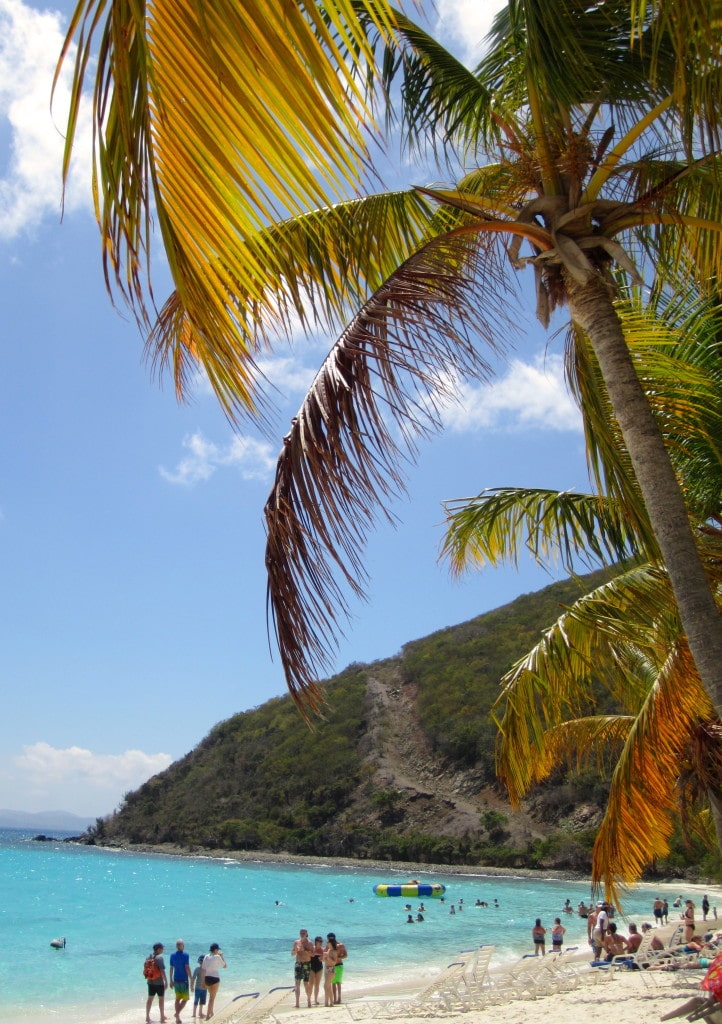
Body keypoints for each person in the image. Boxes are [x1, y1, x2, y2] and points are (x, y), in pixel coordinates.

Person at [169, 939, 193, 1024]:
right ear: (182, 946)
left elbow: (171, 968)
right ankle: (177, 1014)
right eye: (183, 945)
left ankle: (177, 1017)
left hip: (176, 979)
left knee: (177, 998)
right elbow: (187, 967)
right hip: (184, 980)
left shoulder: (172, 955)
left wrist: (170, 980)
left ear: (176, 946)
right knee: (185, 999)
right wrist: (191, 977)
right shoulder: (185, 955)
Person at [201, 943, 226, 1021]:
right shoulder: (217, 956)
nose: (218, 951)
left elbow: (203, 969)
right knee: (212, 998)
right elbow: (224, 966)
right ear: (215, 950)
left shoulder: (206, 956)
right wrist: (222, 956)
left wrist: (203, 981)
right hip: (215, 978)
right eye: (217, 949)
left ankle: (211, 1013)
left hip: (207, 978)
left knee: (211, 996)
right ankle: (208, 1016)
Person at [145, 942, 169, 1024]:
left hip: (150, 982)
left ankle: (147, 1017)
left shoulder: (148, 957)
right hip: (159, 983)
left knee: (150, 999)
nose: (163, 949)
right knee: (161, 999)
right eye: (162, 948)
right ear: (158, 949)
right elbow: (162, 971)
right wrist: (166, 981)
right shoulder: (159, 958)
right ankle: (162, 1016)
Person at [291, 928, 313, 1009]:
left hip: (306, 964)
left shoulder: (309, 943)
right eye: (301, 933)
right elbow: (292, 954)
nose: (302, 934)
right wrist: (296, 951)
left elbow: (313, 954)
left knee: (306, 983)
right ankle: (297, 1003)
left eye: (304, 933)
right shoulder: (296, 942)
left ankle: (309, 1000)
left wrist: (305, 950)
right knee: (297, 983)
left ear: (306, 933)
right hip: (298, 964)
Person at [328, 932, 347, 1004]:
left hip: (339, 965)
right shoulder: (329, 946)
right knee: (333, 982)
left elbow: (345, 955)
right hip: (332, 966)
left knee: (338, 982)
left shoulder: (340, 945)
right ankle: (334, 999)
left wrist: (338, 957)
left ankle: (339, 998)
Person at [322, 936, 339, 1007]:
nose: (326, 943)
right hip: (326, 968)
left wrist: (328, 957)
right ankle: (327, 1002)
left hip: (331, 969)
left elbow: (334, 962)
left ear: (331, 943)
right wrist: (324, 957)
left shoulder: (334, 952)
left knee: (326, 985)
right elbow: (324, 961)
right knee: (327, 986)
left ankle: (331, 1002)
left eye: (328, 942)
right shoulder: (328, 950)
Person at [310, 937, 324, 1006]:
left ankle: (315, 1000)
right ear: (316, 942)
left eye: (321, 941)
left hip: (319, 967)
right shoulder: (312, 948)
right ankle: (309, 999)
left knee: (317, 984)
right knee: (311, 984)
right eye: (319, 941)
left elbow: (324, 959)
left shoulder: (322, 950)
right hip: (312, 967)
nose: (321, 943)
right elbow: (308, 955)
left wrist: (322, 958)